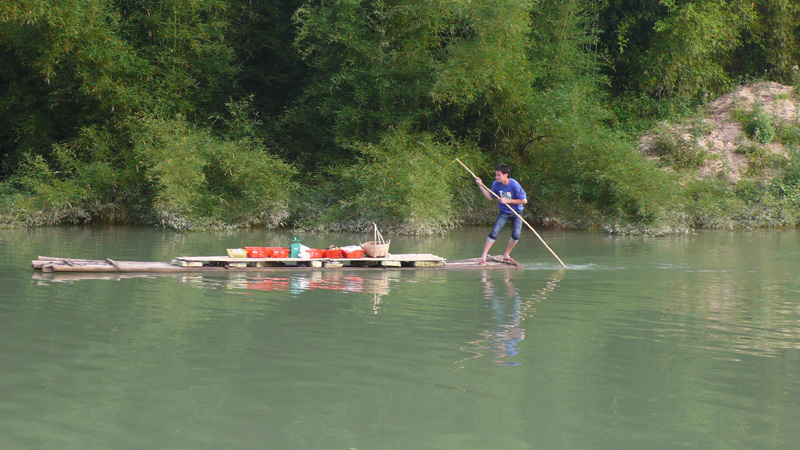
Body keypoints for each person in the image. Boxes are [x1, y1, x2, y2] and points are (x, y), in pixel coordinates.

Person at [474, 163, 527, 265]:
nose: (496, 177)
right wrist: (480, 186)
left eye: (499, 175)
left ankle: (506, 254)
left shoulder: (514, 185)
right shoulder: (496, 184)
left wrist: (508, 200)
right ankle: (484, 256)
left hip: (517, 213)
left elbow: (524, 201)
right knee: (494, 232)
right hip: (504, 212)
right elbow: (490, 197)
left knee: (516, 235)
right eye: (496, 175)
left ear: (505, 175)